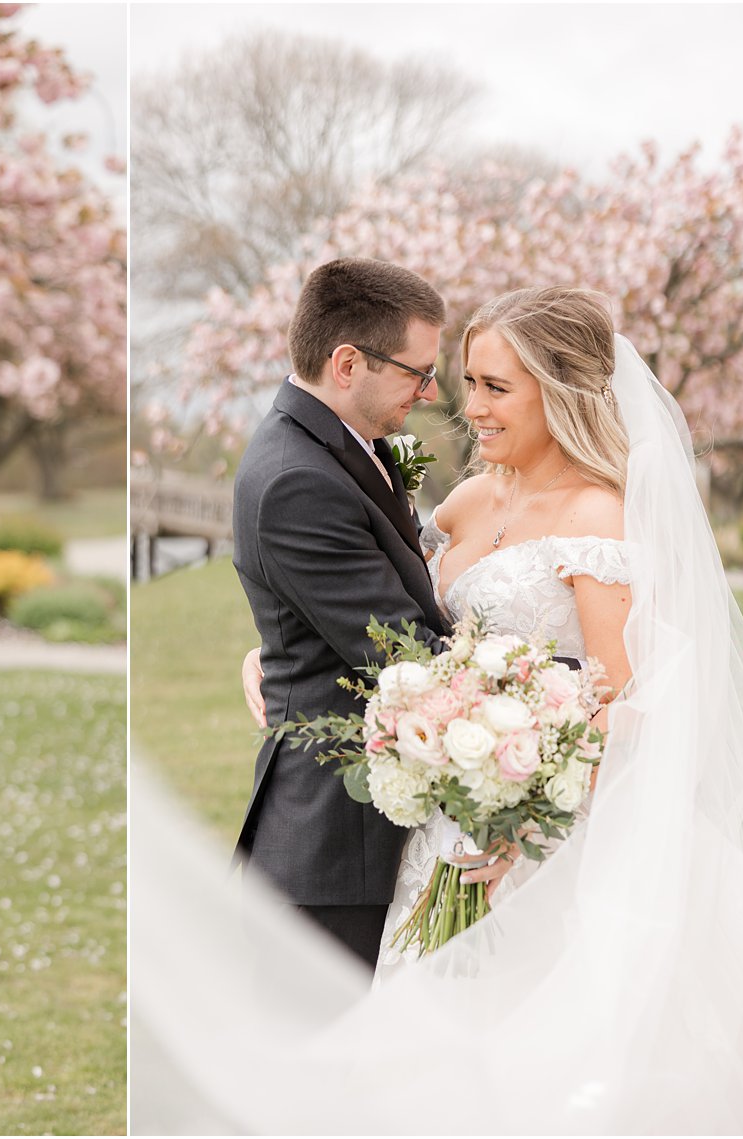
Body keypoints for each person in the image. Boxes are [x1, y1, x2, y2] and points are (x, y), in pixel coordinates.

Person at [132, 286, 743, 1132]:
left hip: (545, 843)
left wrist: (524, 804)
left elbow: (632, 696)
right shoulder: (463, 504)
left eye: (496, 388)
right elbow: (379, 625)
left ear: (559, 392)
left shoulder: (598, 518)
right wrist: (269, 653)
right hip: (442, 829)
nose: (468, 409)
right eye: (465, 383)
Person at [229, 257, 457, 968]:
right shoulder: (298, 479)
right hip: (331, 850)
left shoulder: (342, 447)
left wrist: (277, 650)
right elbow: (410, 657)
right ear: (349, 362)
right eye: (417, 372)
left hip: (368, 830)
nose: (428, 392)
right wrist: (562, 680)